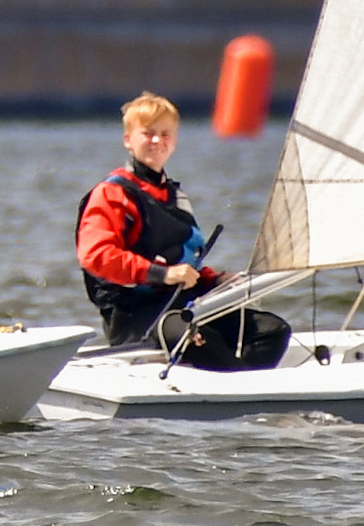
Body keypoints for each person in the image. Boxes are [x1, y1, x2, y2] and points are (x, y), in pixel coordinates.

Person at [76, 91, 290, 370]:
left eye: (165, 134)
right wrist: (162, 274)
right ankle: (238, 393)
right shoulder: (112, 194)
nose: (157, 141)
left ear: (174, 140)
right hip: (136, 316)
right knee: (198, 338)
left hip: (183, 306)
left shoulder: (173, 195)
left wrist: (217, 280)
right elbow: (96, 256)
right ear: (128, 140)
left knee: (272, 330)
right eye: (148, 133)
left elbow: (185, 262)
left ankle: (245, 390)